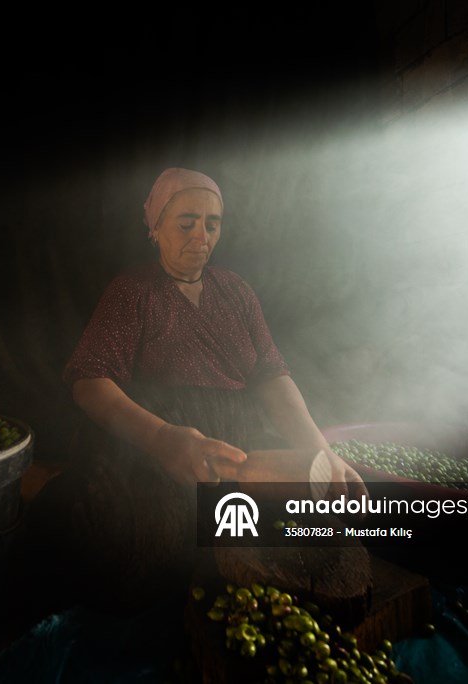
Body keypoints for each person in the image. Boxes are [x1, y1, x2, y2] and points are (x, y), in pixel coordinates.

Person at [19, 167, 365, 620]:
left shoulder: (236, 292)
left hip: (236, 451)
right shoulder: (132, 293)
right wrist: (164, 439)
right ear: (155, 227)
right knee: (140, 549)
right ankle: (46, 487)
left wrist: (321, 451)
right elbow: (89, 382)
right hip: (155, 451)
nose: (201, 236)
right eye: (186, 223)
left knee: (301, 536)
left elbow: (273, 377)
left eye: (211, 224)